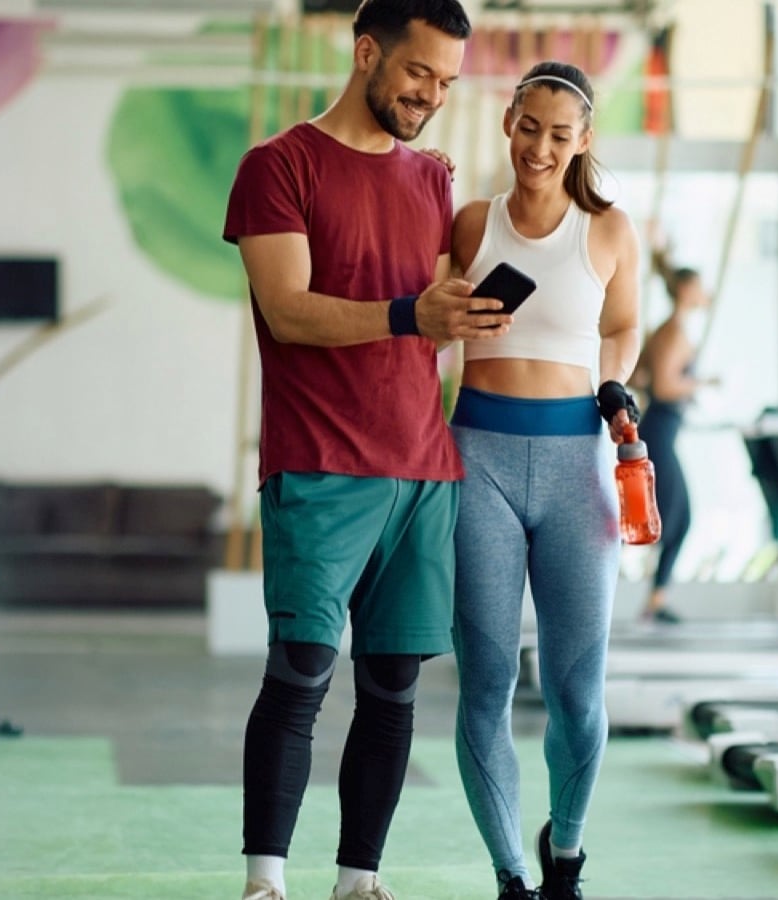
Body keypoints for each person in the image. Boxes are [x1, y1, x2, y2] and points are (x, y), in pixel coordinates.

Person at [220, 2, 513, 898]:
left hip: (423, 469)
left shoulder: (431, 180)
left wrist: (459, 313)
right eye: (419, 72)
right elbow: (289, 310)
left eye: (447, 82)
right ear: (365, 53)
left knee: (392, 687)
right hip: (319, 462)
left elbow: (431, 313)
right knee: (301, 671)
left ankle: (359, 879)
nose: (432, 95)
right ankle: (266, 881)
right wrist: (410, 315)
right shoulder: (278, 166)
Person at [449, 61, 641, 900]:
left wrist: (616, 382)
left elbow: (623, 325)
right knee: (486, 683)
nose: (539, 147)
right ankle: (511, 876)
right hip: (476, 459)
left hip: (577, 465)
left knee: (576, 690)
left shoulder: (609, 229)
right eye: (529, 127)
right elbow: (426, 328)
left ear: (583, 140)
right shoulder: (469, 223)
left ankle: (566, 853)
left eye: (560, 134)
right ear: (508, 122)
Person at [632, 221, 712, 621]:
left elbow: (639, 376)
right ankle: (653, 598)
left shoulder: (670, 331)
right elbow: (663, 387)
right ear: (684, 290)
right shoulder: (672, 333)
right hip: (659, 430)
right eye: (699, 286)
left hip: (661, 430)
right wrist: (702, 383)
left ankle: (656, 599)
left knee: (674, 518)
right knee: (669, 516)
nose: (704, 292)